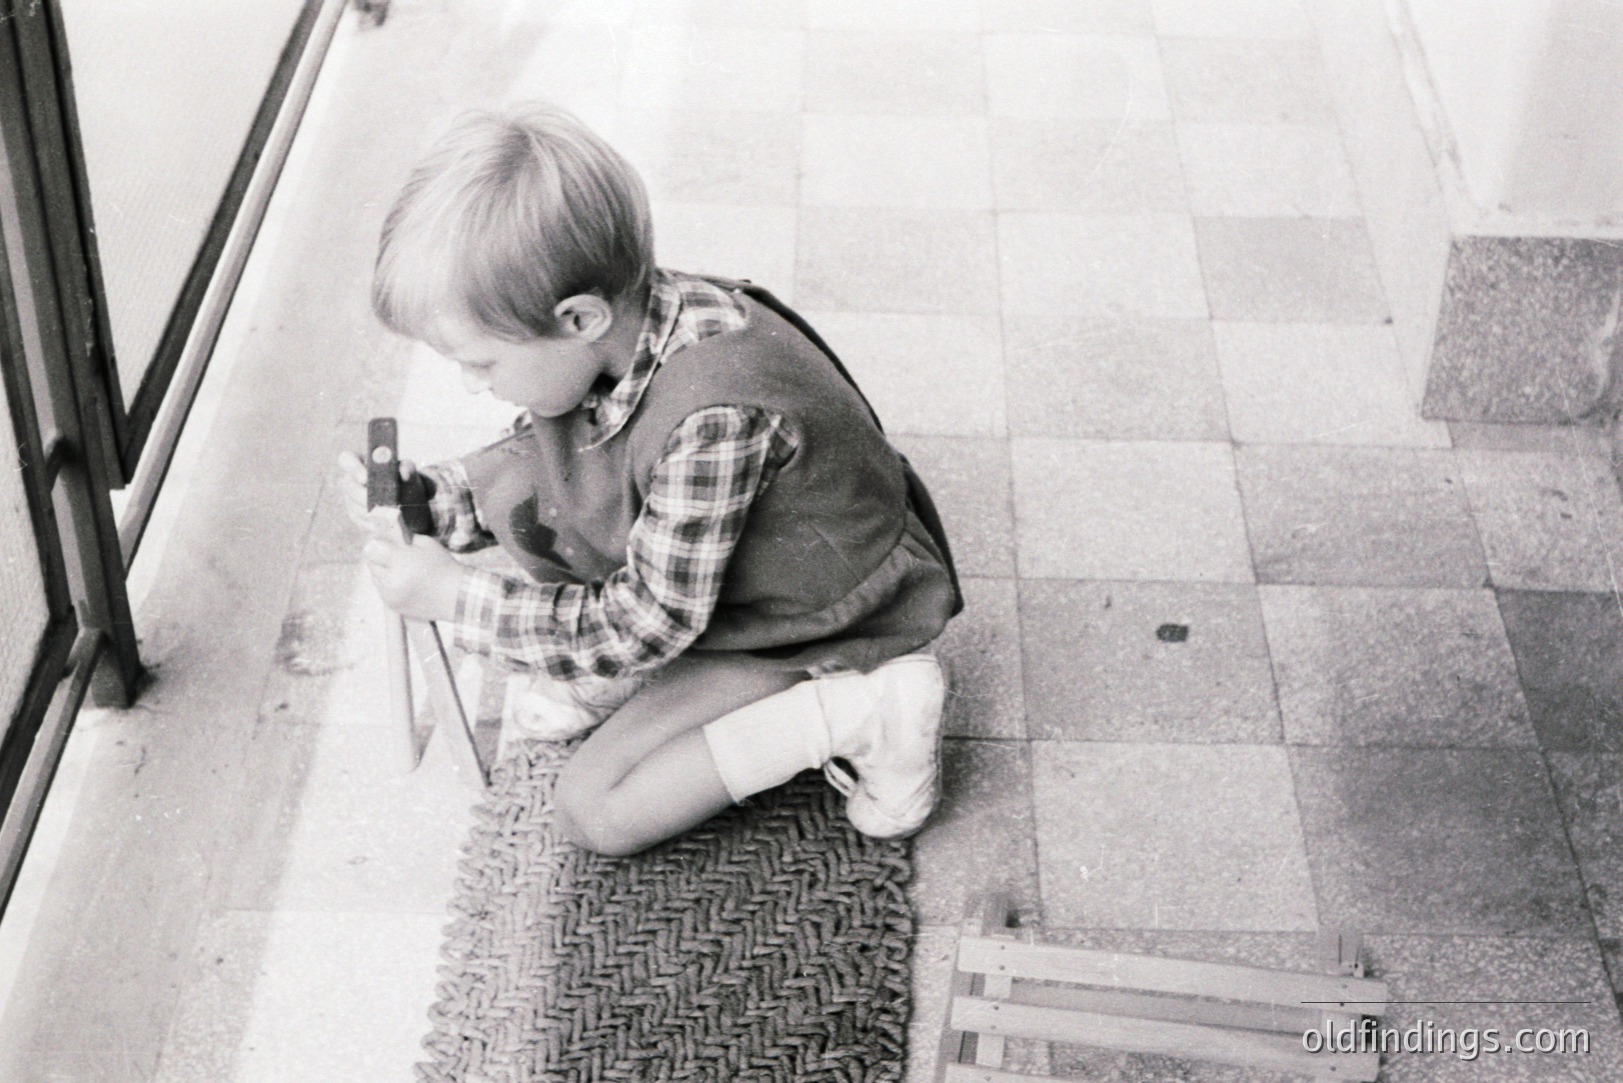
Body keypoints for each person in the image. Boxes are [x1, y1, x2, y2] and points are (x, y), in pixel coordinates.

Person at [338, 102, 960, 856]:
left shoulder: (714, 418)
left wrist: (456, 599)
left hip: (817, 616)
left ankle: (870, 711)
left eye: (482, 361)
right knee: (564, 550)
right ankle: (615, 674)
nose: (473, 385)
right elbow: (545, 457)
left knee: (596, 809)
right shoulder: (623, 329)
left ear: (577, 319)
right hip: (733, 584)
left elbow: (643, 624)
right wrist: (430, 503)